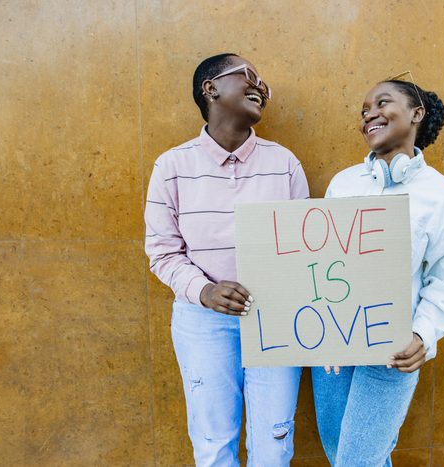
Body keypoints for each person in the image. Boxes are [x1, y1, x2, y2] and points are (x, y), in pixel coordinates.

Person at [144, 53, 309, 466]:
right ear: (210, 88)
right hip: (203, 323)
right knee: (213, 444)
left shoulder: (284, 163)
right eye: (248, 76)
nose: (261, 86)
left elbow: (305, 248)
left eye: (263, 80)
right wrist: (205, 290)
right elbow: (162, 252)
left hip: (276, 321)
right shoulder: (172, 166)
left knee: (274, 446)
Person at [311, 76, 444, 466]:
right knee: (340, 451)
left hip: (392, 351)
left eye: (382, 103)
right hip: (334, 347)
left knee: (358, 460)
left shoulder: (441, 194)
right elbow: (320, 264)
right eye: (365, 110)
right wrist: (321, 334)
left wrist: (424, 332)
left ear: (416, 113)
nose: (370, 114)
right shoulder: (343, 183)